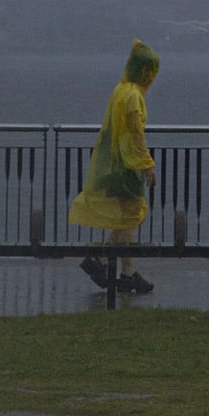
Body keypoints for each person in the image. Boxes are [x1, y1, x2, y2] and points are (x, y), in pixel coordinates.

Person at [70, 38, 160, 294]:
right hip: (126, 166)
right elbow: (135, 134)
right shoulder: (133, 97)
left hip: (113, 162)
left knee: (125, 220)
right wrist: (147, 164)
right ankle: (115, 266)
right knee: (130, 218)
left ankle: (120, 268)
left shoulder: (121, 89)